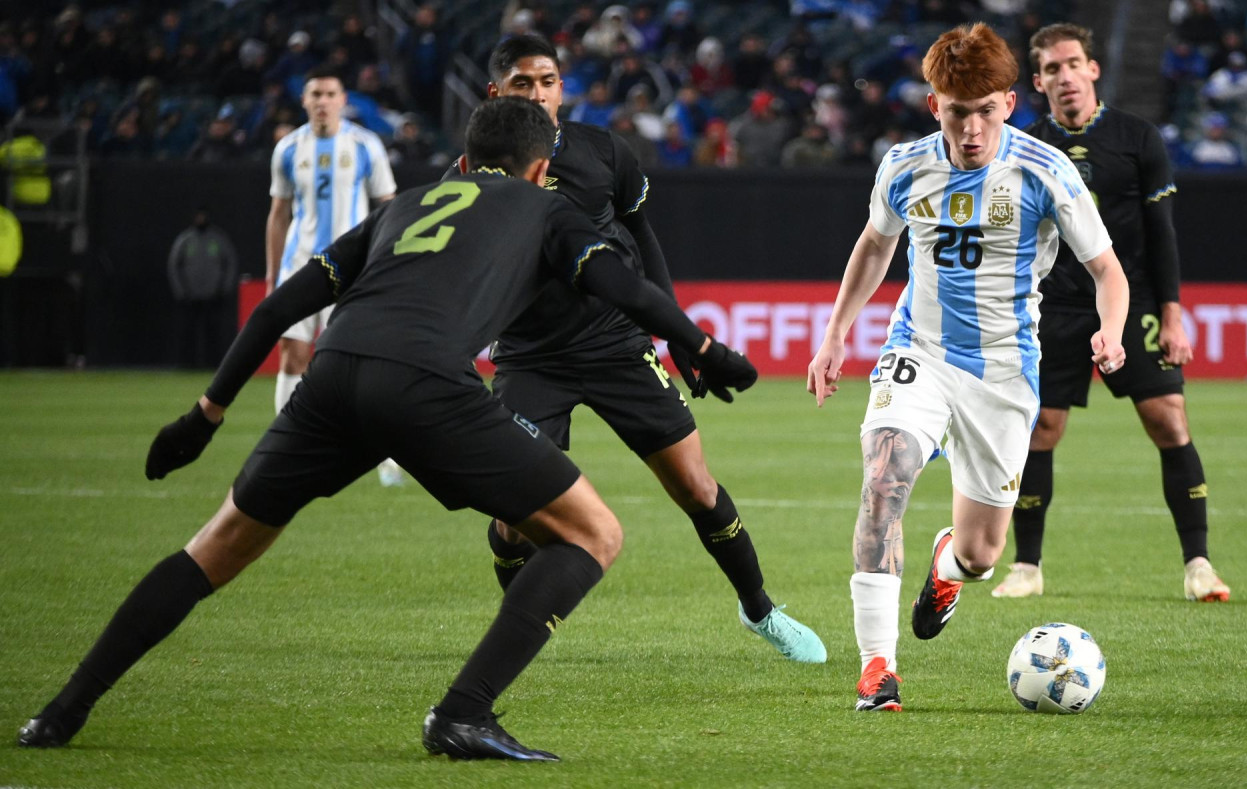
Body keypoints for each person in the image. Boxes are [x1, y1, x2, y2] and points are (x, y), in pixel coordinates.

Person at [16, 96, 759, 760]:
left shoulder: (405, 204)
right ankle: (462, 714)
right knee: (594, 533)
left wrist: (203, 415)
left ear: (465, 161)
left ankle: (62, 709)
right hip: (428, 381)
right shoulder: (547, 209)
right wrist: (704, 348)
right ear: (540, 170)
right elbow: (622, 285)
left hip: (335, 372)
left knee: (214, 547)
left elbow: (277, 309)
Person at [452, 34, 826, 663]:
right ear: (496, 93)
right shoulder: (470, 174)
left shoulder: (602, 150)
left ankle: (760, 610)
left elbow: (641, 234)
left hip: (617, 345)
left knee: (696, 486)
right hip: (529, 358)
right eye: (523, 83)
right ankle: (519, 632)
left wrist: (678, 336)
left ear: (563, 86)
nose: (538, 93)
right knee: (513, 517)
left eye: (548, 80)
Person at [806, 22, 1128, 711]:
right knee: (883, 479)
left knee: (984, 554)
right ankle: (877, 668)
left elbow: (1107, 269)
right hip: (917, 350)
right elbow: (873, 246)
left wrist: (1111, 328)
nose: (973, 129)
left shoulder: (1045, 171)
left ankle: (949, 566)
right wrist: (835, 333)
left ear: (1010, 102)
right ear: (935, 107)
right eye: (958, 112)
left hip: (1005, 374)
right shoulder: (904, 165)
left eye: (986, 111)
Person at [990, 22, 1232, 602]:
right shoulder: (1028, 148)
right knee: (1042, 429)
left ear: (1093, 69)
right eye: (1051, 68)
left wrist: (1171, 315)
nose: (1064, 76)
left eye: (1073, 63)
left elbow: (1162, 232)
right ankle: (1027, 567)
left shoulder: (1138, 138)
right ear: (1039, 83)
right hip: (1057, 306)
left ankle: (1198, 563)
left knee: (1168, 418)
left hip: (1136, 299)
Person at [265, 67, 403, 486]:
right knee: (294, 353)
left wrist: (388, 264)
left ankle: (386, 456)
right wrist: (273, 277)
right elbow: (278, 215)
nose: (322, 101)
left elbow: (389, 207)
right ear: (304, 101)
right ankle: (285, 452)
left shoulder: (366, 146)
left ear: (344, 100)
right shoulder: (288, 149)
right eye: (315, 94)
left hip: (355, 270)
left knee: (365, 364)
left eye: (330, 94)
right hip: (300, 266)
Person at [166, 207, 238, 368]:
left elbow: (230, 263)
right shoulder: (185, 240)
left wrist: (224, 289)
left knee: (213, 333)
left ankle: (213, 365)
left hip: (213, 296)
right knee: (188, 333)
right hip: (190, 297)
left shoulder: (217, 239)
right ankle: (187, 365)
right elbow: (174, 265)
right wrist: (181, 291)